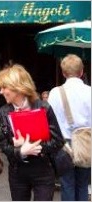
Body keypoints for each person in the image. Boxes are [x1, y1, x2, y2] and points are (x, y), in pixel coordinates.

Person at [0, 64, 65, 201]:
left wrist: (33, 147)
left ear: (18, 87)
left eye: (4, 87)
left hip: (43, 170)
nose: (1, 92)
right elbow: (3, 145)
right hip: (17, 173)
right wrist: (21, 151)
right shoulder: (4, 111)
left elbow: (58, 141)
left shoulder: (43, 107)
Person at [48, 54, 91, 201]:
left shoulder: (54, 93)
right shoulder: (90, 92)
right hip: (86, 142)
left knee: (67, 185)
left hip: (63, 144)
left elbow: (50, 121)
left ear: (63, 73)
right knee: (83, 184)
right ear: (82, 71)